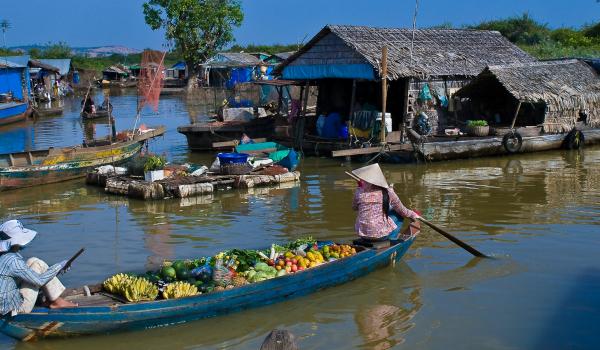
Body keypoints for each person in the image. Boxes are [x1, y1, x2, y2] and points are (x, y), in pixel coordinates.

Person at [0, 220, 77, 316]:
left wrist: (56, 271)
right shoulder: (13, 261)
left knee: (32, 261)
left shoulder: (4, 256)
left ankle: (53, 299)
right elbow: (39, 281)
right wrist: (59, 266)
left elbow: (26, 276)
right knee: (38, 264)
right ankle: (56, 301)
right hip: (15, 308)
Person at [351, 163, 420, 241]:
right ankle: (391, 239)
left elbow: (354, 207)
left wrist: (360, 191)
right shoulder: (389, 192)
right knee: (398, 214)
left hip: (362, 234)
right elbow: (403, 211)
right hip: (379, 236)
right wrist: (414, 214)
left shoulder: (359, 192)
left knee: (390, 211)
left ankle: (384, 235)